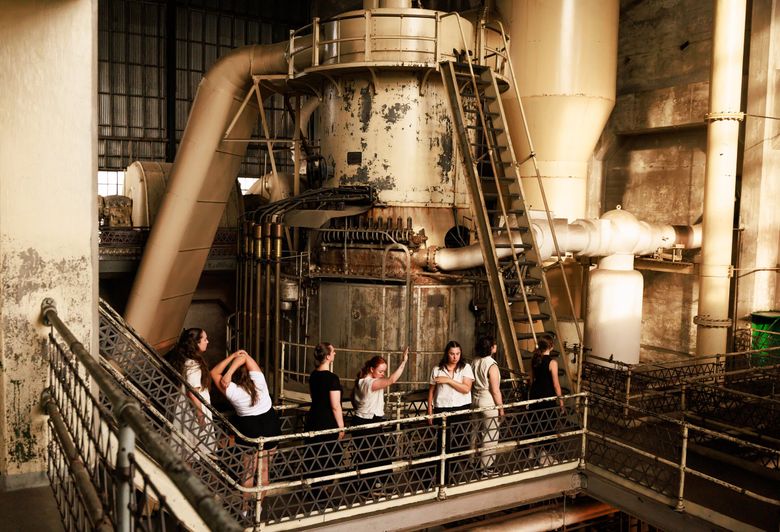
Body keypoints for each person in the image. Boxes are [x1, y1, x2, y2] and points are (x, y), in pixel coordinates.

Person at [211, 351, 281, 510]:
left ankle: (244, 508)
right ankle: (259, 507)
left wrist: (228, 371)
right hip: (270, 424)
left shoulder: (230, 389)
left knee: (248, 472)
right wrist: (237, 357)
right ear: (251, 372)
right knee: (264, 471)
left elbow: (214, 372)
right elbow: (245, 356)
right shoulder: (260, 381)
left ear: (235, 377)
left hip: (248, 428)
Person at [351, 348, 409, 494]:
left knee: (376, 455)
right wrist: (403, 362)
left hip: (367, 420)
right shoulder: (369, 383)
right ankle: (368, 489)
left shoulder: (362, 381)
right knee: (372, 456)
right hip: (366, 422)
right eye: (380, 371)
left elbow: (353, 400)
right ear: (371, 369)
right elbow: (391, 380)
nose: (382, 374)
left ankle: (372, 487)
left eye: (384, 371)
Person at [166, 328, 218, 457]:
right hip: (193, 410)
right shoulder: (193, 364)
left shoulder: (186, 361)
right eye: (204, 339)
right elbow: (193, 391)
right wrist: (200, 415)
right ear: (196, 343)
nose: (207, 341)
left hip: (188, 408)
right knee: (193, 451)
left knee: (189, 451)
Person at [427, 340, 474, 483]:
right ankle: (442, 479)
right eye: (452, 354)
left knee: (459, 444)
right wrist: (430, 411)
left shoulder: (465, 368)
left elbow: (466, 389)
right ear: (447, 354)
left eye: (458, 354)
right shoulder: (437, 369)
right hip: (442, 409)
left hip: (461, 409)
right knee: (442, 445)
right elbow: (431, 392)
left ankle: (455, 477)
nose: (455, 357)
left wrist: (448, 380)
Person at [304, 342, 345, 477]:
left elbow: (312, 396)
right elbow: (335, 405)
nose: (335, 353)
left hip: (313, 418)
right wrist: (341, 426)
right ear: (327, 356)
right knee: (329, 456)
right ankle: (323, 489)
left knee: (314, 455)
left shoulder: (313, 375)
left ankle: (314, 489)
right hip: (326, 421)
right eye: (333, 352)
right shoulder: (332, 378)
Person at [529, 335, 564, 466]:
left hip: (534, 395)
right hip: (547, 397)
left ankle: (530, 451)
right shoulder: (552, 363)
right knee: (548, 425)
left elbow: (531, 379)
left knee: (534, 422)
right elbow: (556, 385)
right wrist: (561, 403)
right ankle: (544, 457)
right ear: (551, 346)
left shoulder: (534, 360)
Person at [472, 336, 504, 473]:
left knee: (474, 432)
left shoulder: (474, 361)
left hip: (474, 398)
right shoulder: (492, 365)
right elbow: (495, 391)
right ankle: (486, 467)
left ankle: (471, 460)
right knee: (490, 434)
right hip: (488, 400)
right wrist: (501, 408)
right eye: (494, 344)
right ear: (491, 348)